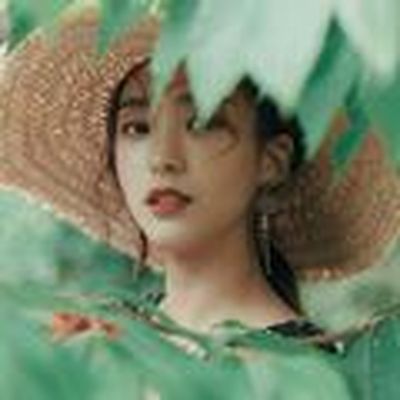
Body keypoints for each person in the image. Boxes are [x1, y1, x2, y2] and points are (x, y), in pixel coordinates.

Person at [0, 6, 398, 343]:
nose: (162, 158)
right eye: (137, 127)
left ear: (271, 162)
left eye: (202, 121)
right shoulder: (99, 341)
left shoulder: (313, 373)